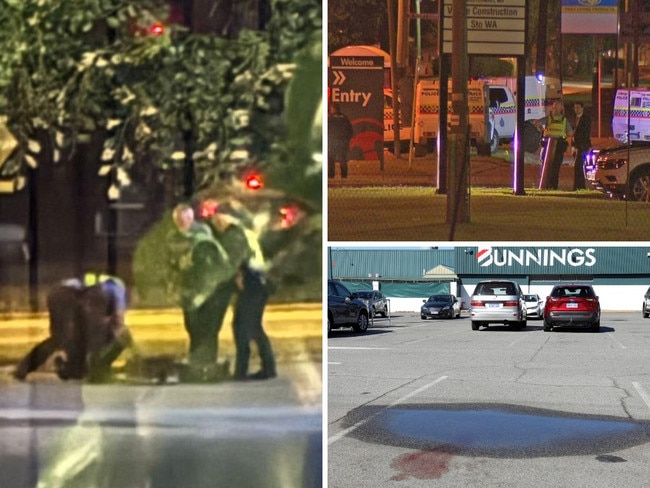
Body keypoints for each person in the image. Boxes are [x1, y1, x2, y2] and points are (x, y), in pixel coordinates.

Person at [14, 273, 135, 383]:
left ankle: (23, 369)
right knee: (114, 336)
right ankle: (87, 370)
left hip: (61, 293)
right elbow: (118, 323)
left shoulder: (113, 290)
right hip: (75, 294)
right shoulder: (114, 291)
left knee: (61, 340)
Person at [207, 200, 276, 380]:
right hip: (257, 284)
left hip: (250, 286)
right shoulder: (244, 233)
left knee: (245, 327)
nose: (216, 223)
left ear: (224, 218)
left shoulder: (234, 235)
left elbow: (231, 263)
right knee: (251, 326)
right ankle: (263, 368)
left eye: (217, 219)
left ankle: (245, 370)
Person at [168, 203, 235, 381]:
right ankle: (196, 364)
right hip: (190, 290)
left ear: (191, 219)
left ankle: (207, 365)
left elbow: (208, 265)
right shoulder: (174, 237)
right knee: (193, 327)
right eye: (179, 221)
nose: (182, 224)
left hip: (208, 290)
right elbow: (172, 263)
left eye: (185, 220)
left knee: (207, 328)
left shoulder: (202, 238)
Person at [534, 101, 574, 190]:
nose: (556, 109)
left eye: (558, 107)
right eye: (555, 107)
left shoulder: (564, 120)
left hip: (558, 145)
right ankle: (546, 184)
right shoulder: (549, 118)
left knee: (555, 167)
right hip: (549, 144)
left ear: (561, 108)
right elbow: (537, 123)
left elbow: (570, 133)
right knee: (546, 165)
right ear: (553, 108)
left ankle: (553, 186)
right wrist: (543, 131)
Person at [328, 102, 353, 179]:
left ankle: (331, 176)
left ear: (332, 109)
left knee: (331, 159)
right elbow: (350, 131)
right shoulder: (345, 118)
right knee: (343, 159)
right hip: (343, 142)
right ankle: (344, 176)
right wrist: (347, 140)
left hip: (333, 142)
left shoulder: (330, 119)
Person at [572, 101, 591, 190]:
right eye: (575, 108)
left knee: (579, 166)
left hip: (582, 146)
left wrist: (582, 146)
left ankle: (579, 186)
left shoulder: (586, 119)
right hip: (576, 146)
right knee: (577, 167)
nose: (576, 109)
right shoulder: (575, 118)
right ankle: (578, 186)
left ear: (582, 108)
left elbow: (585, 134)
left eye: (578, 107)